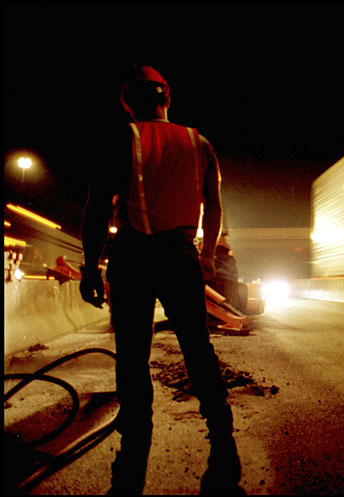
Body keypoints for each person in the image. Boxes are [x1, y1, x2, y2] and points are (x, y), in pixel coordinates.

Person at [79, 65, 243, 495]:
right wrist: (206, 256)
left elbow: (98, 208)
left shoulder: (122, 138)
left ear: (127, 102)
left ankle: (135, 440)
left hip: (133, 256)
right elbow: (215, 205)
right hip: (180, 255)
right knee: (196, 345)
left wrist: (91, 266)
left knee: (133, 354)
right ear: (166, 96)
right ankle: (222, 436)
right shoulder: (198, 141)